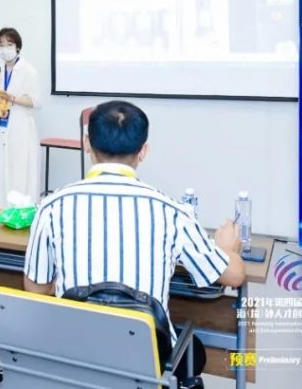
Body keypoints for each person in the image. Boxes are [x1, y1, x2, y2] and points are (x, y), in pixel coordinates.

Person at [23, 100, 246, 384]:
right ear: (143, 151)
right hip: (146, 361)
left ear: (87, 143)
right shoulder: (171, 211)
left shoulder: (52, 206)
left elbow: (35, 287)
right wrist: (226, 249)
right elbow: (234, 276)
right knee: (193, 350)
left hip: (75, 354)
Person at [0, 27, 40, 205]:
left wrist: (13, 98)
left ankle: (20, 211)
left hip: (20, 126)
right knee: (1, 170)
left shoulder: (29, 71)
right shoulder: (0, 71)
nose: (5, 49)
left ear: (17, 47)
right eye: (1, 45)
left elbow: (36, 102)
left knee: (19, 171)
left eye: (9, 44)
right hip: (2, 124)